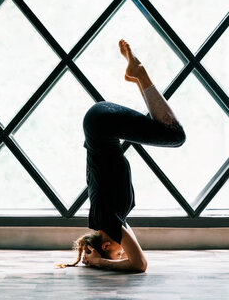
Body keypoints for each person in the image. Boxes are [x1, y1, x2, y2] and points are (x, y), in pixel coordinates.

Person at [57, 39, 186, 272]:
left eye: (117, 253)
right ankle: (137, 75)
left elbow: (139, 265)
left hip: (102, 124)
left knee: (175, 136)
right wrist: (98, 255)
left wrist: (99, 262)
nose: (123, 253)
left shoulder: (106, 219)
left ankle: (140, 73)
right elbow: (130, 251)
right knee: (166, 131)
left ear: (107, 244)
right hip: (100, 123)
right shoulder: (109, 219)